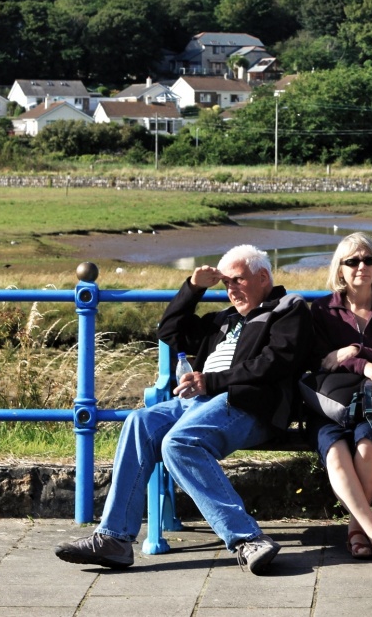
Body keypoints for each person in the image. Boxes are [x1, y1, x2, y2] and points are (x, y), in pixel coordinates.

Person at [54, 244, 313, 575]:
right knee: (138, 422)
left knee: (179, 442)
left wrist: (212, 381)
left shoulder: (288, 309)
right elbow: (170, 331)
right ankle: (114, 538)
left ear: (263, 276)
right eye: (226, 284)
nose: (231, 290)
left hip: (248, 403)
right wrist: (194, 287)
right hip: (197, 402)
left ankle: (247, 538)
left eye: (238, 280)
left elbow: (277, 361)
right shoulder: (223, 319)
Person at [307, 232, 372, 566]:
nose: (361, 266)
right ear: (340, 269)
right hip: (331, 405)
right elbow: (321, 360)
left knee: (367, 448)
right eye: (352, 261)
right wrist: (365, 364)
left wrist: (355, 351)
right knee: (336, 453)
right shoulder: (322, 309)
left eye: (368, 259)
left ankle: (356, 530)